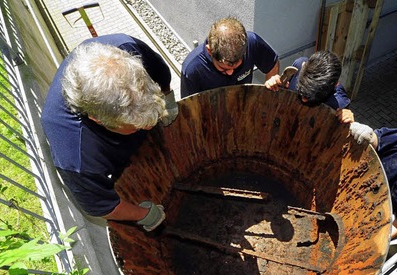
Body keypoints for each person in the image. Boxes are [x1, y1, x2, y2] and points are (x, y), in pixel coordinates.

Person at [41, 34, 178, 231]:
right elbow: (101, 205)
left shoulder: (125, 49)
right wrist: (145, 215)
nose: (150, 126)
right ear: (97, 120)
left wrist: (167, 99)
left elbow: (160, 72)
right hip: (116, 154)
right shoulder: (75, 153)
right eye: (137, 126)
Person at [180, 17, 279, 97]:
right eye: (223, 69)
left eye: (236, 67)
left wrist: (268, 93)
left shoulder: (253, 43)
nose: (230, 72)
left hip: (244, 104)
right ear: (209, 51)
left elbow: (272, 64)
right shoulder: (191, 70)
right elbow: (190, 109)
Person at [265, 50, 353, 124]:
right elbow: (283, 94)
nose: (304, 99)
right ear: (303, 66)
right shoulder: (297, 66)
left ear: (335, 84)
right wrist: (275, 86)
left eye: (311, 95)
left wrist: (347, 123)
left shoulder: (339, 104)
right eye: (301, 90)